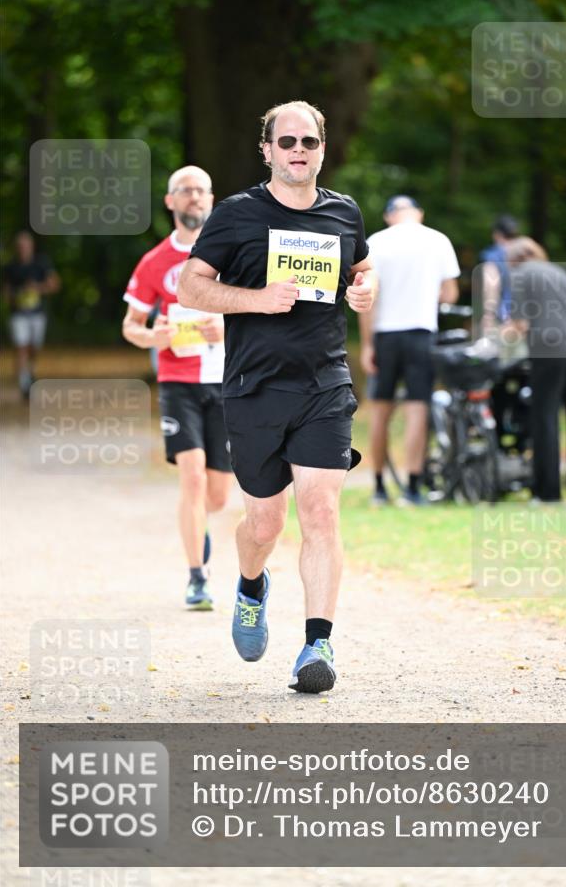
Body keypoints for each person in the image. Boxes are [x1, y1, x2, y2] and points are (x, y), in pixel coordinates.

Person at [177, 100, 375, 694]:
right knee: (264, 523)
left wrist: (365, 292)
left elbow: (363, 271)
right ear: (266, 149)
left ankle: (318, 645)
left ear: (322, 147)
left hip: (325, 384)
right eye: (285, 141)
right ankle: (251, 585)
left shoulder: (344, 213)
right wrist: (254, 299)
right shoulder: (238, 214)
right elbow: (190, 287)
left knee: (320, 510)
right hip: (254, 388)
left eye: (308, 142)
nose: (297, 150)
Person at [122, 166, 233, 610]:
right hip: (178, 383)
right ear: (170, 201)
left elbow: (258, 310)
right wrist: (154, 337)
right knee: (191, 479)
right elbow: (131, 326)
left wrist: (224, 326)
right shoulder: (154, 262)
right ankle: (197, 577)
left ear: (211, 199)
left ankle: (196, 531)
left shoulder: (233, 254)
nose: (194, 198)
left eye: (202, 191)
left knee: (219, 495)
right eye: (185, 191)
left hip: (226, 382)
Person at [359, 195, 460, 506]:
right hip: (420, 332)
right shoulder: (438, 240)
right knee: (418, 409)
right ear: (419, 213)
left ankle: (378, 487)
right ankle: (413, 487)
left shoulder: (375, 241)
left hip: (385, 335)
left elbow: (366, 298)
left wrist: (366, 344)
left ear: (390, 216)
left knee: (380, 412)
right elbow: (450, 293)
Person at [506, 237, 566, 504]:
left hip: (550, 348)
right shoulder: (557, 271)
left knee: (545, 418)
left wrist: (499, 337)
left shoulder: (521, 275)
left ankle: (547, 493)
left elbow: (520, 323)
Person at [3, 230, 60, 398]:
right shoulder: (10, 267)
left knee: (33, 347)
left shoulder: (41, 263)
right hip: (18, 315)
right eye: (19, 246)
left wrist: (37, 288)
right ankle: (24, 384)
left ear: (31, 247)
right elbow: (6, 293)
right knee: (21, 347)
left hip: (37, 314)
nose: (22, 249)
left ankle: (31, 373)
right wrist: (17, 296)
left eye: (25, 246)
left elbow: (55, 285)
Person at [479, 214, 519, 333]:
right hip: (526, 320)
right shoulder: (525, 255)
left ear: (497, 234)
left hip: (503, 319)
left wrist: (488, 315)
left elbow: (491, 284)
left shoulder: (493, 255)